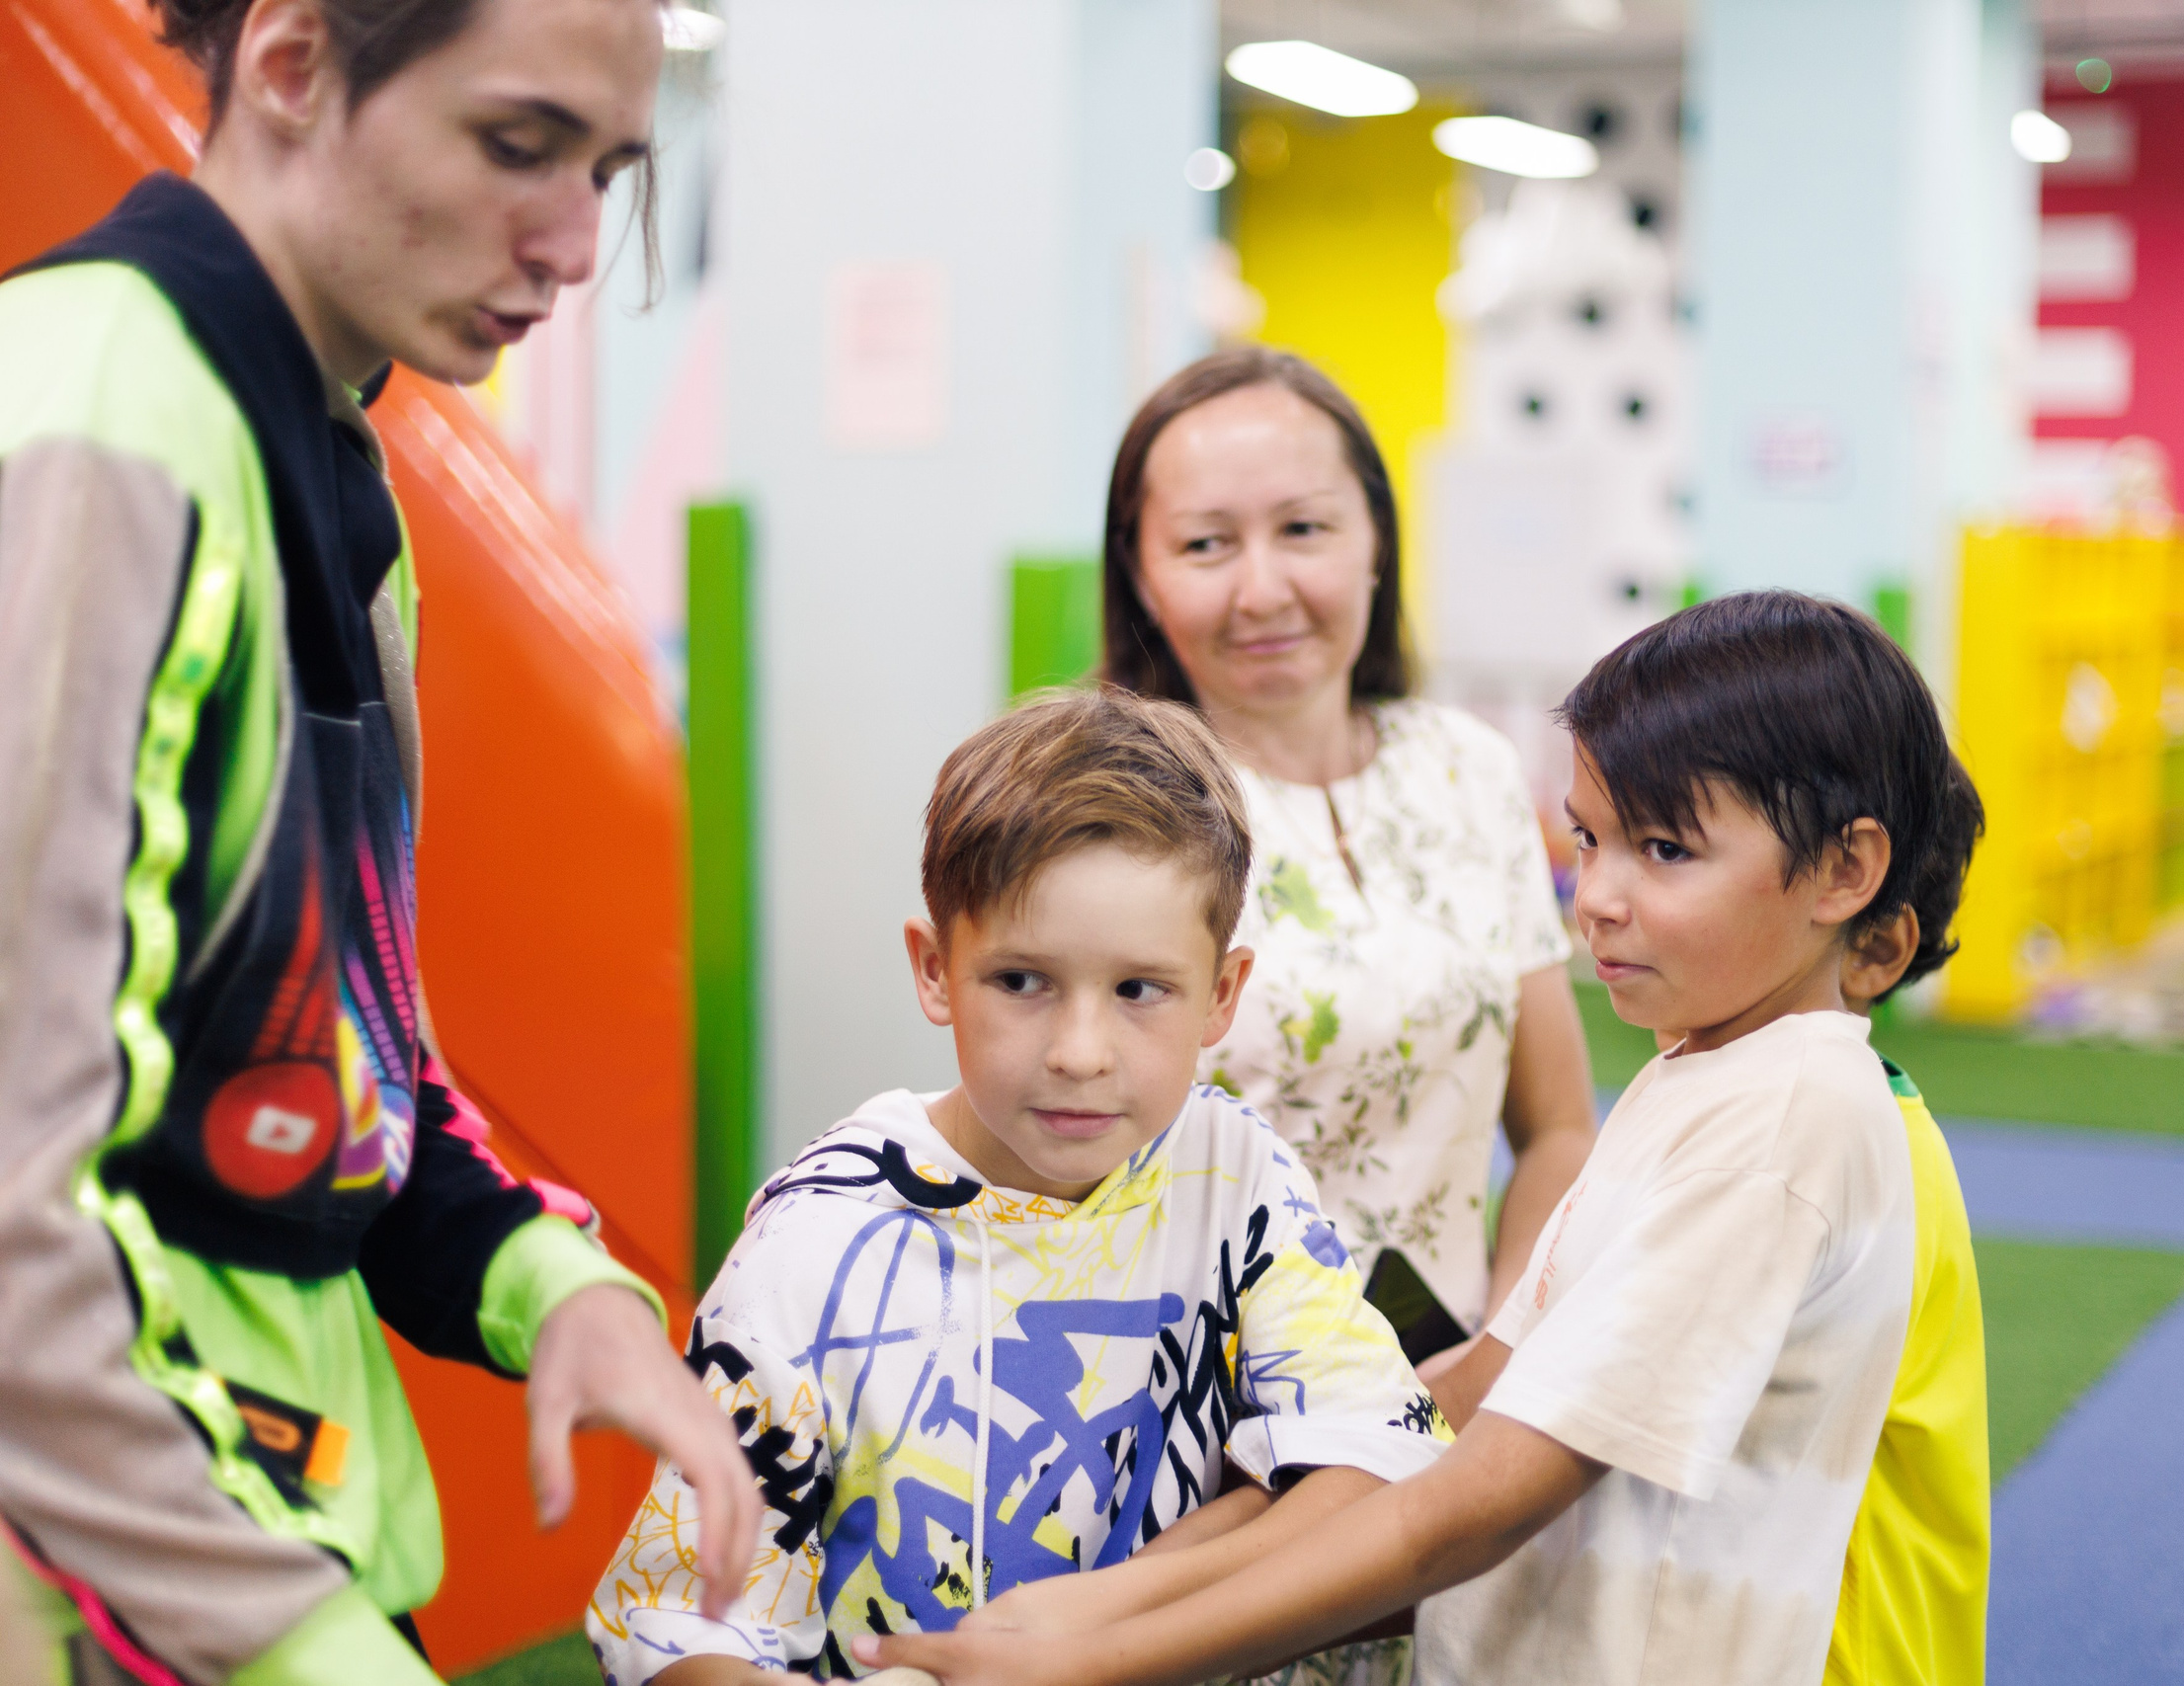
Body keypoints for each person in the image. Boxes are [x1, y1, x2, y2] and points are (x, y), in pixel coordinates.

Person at [0, 2, 759, 1682]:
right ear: (289, 65)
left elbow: (342, 1059)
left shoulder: (340, 475)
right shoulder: (92, 429)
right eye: (516, 144)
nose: (573, 245)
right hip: (122, 1584)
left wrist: (551, 1281)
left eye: (610, 169)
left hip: (280, 1544)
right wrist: (288, 1641)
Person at [854, 590, 1980, 1686]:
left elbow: (1470, 1504)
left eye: (1665, 851)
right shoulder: (1700, 1074)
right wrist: (1123, 1591)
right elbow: (1465, 1391)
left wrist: (1107, 1655)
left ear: (1845, 872)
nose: (1595, 896)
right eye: (1590, 839)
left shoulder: (1787, 1122)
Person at [589, 689, 1450, 1684]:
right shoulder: (814, 1240)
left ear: (1221, 993)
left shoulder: (1237, 1175)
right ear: (934, 970)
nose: (1080, 1054)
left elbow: (1379, 1461)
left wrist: (1091, 1625)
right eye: (1022, 982)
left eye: (1139, 990)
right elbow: (680, 1622)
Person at [1102, 347, 1597, 1357]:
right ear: (1141, 576)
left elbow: (1556, 1128)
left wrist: (1491, 1357)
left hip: (1455, 1363)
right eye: (1204, 544)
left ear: (1375, 539)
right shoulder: (1106, 803)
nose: (1263, 588)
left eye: (1304, 529)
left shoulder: (1467, 769)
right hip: (1188, 1394)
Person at [1827, 756, 1992, 1686]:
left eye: (1672, 851)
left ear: (1877, 945)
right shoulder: (1882, 1115)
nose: (1606, 897)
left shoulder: (1814, 1149)